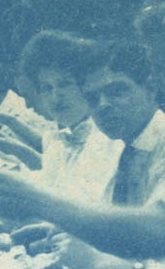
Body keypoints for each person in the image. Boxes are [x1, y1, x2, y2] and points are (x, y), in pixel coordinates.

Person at [0, 41, 165, 269]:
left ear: (151, 89)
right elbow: (116, 225)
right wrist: (67, 228)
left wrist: (44, 206)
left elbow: (158, 228)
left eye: (117, 91)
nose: (103, 105)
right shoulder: (126, 146)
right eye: (93, 98)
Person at [19, 30, 123, 200]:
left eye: (65, 84)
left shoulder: (109, 138)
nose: (55, 97)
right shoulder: (56, 140)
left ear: (87, 86)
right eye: (47, 87)